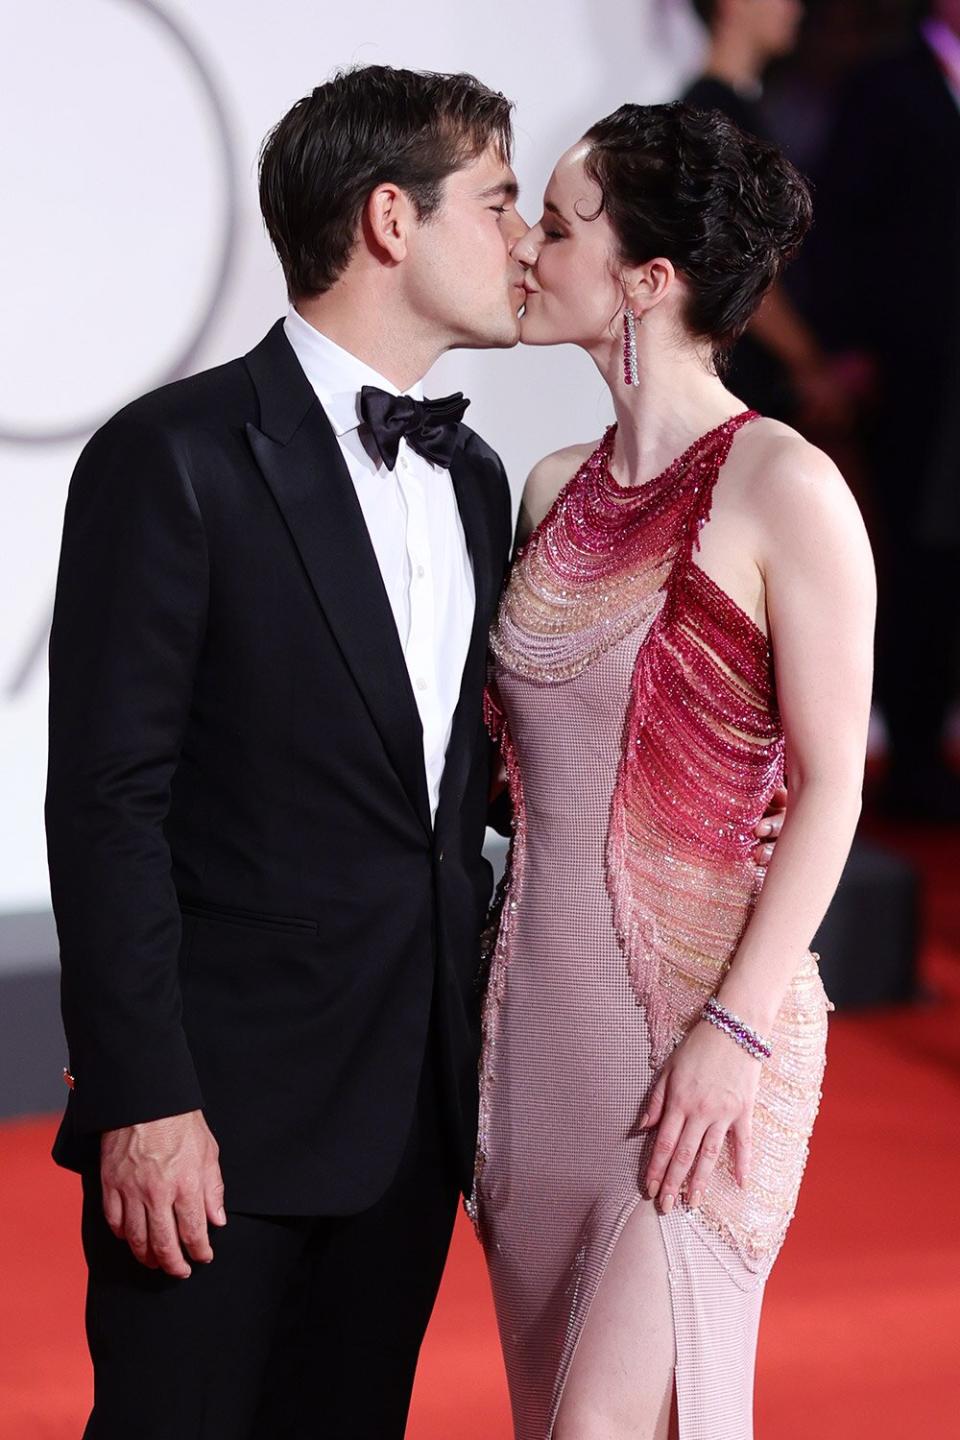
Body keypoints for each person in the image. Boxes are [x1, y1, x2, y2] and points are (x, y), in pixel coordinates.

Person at [45, 65, 526, 1440]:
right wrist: (144, 1098)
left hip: (411, 1116)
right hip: (218, 1127)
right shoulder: (177, 455)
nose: (523, 240)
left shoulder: (476, 478)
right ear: (391, 218)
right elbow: (105, 804)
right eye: (497, 203)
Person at [472, 102, 874, 1440]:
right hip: (534, 1044)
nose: (528, 245)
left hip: (701, 1038)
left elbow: (832, 787)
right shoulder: (548, 491)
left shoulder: (784, 485)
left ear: (649, 279)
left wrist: (736, 1031)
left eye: (563, 224)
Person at [806, 0, 960, 819]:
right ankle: (912, 757)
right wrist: (847, 348)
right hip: (915, 375)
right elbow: (843, 226)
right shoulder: (887, 87)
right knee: (915, 561)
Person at [683, 0, 852, 432]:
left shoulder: (745, 110)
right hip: (744, 388)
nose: (795, 8)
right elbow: (729, 258)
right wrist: (808, 361)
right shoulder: (708, 114)